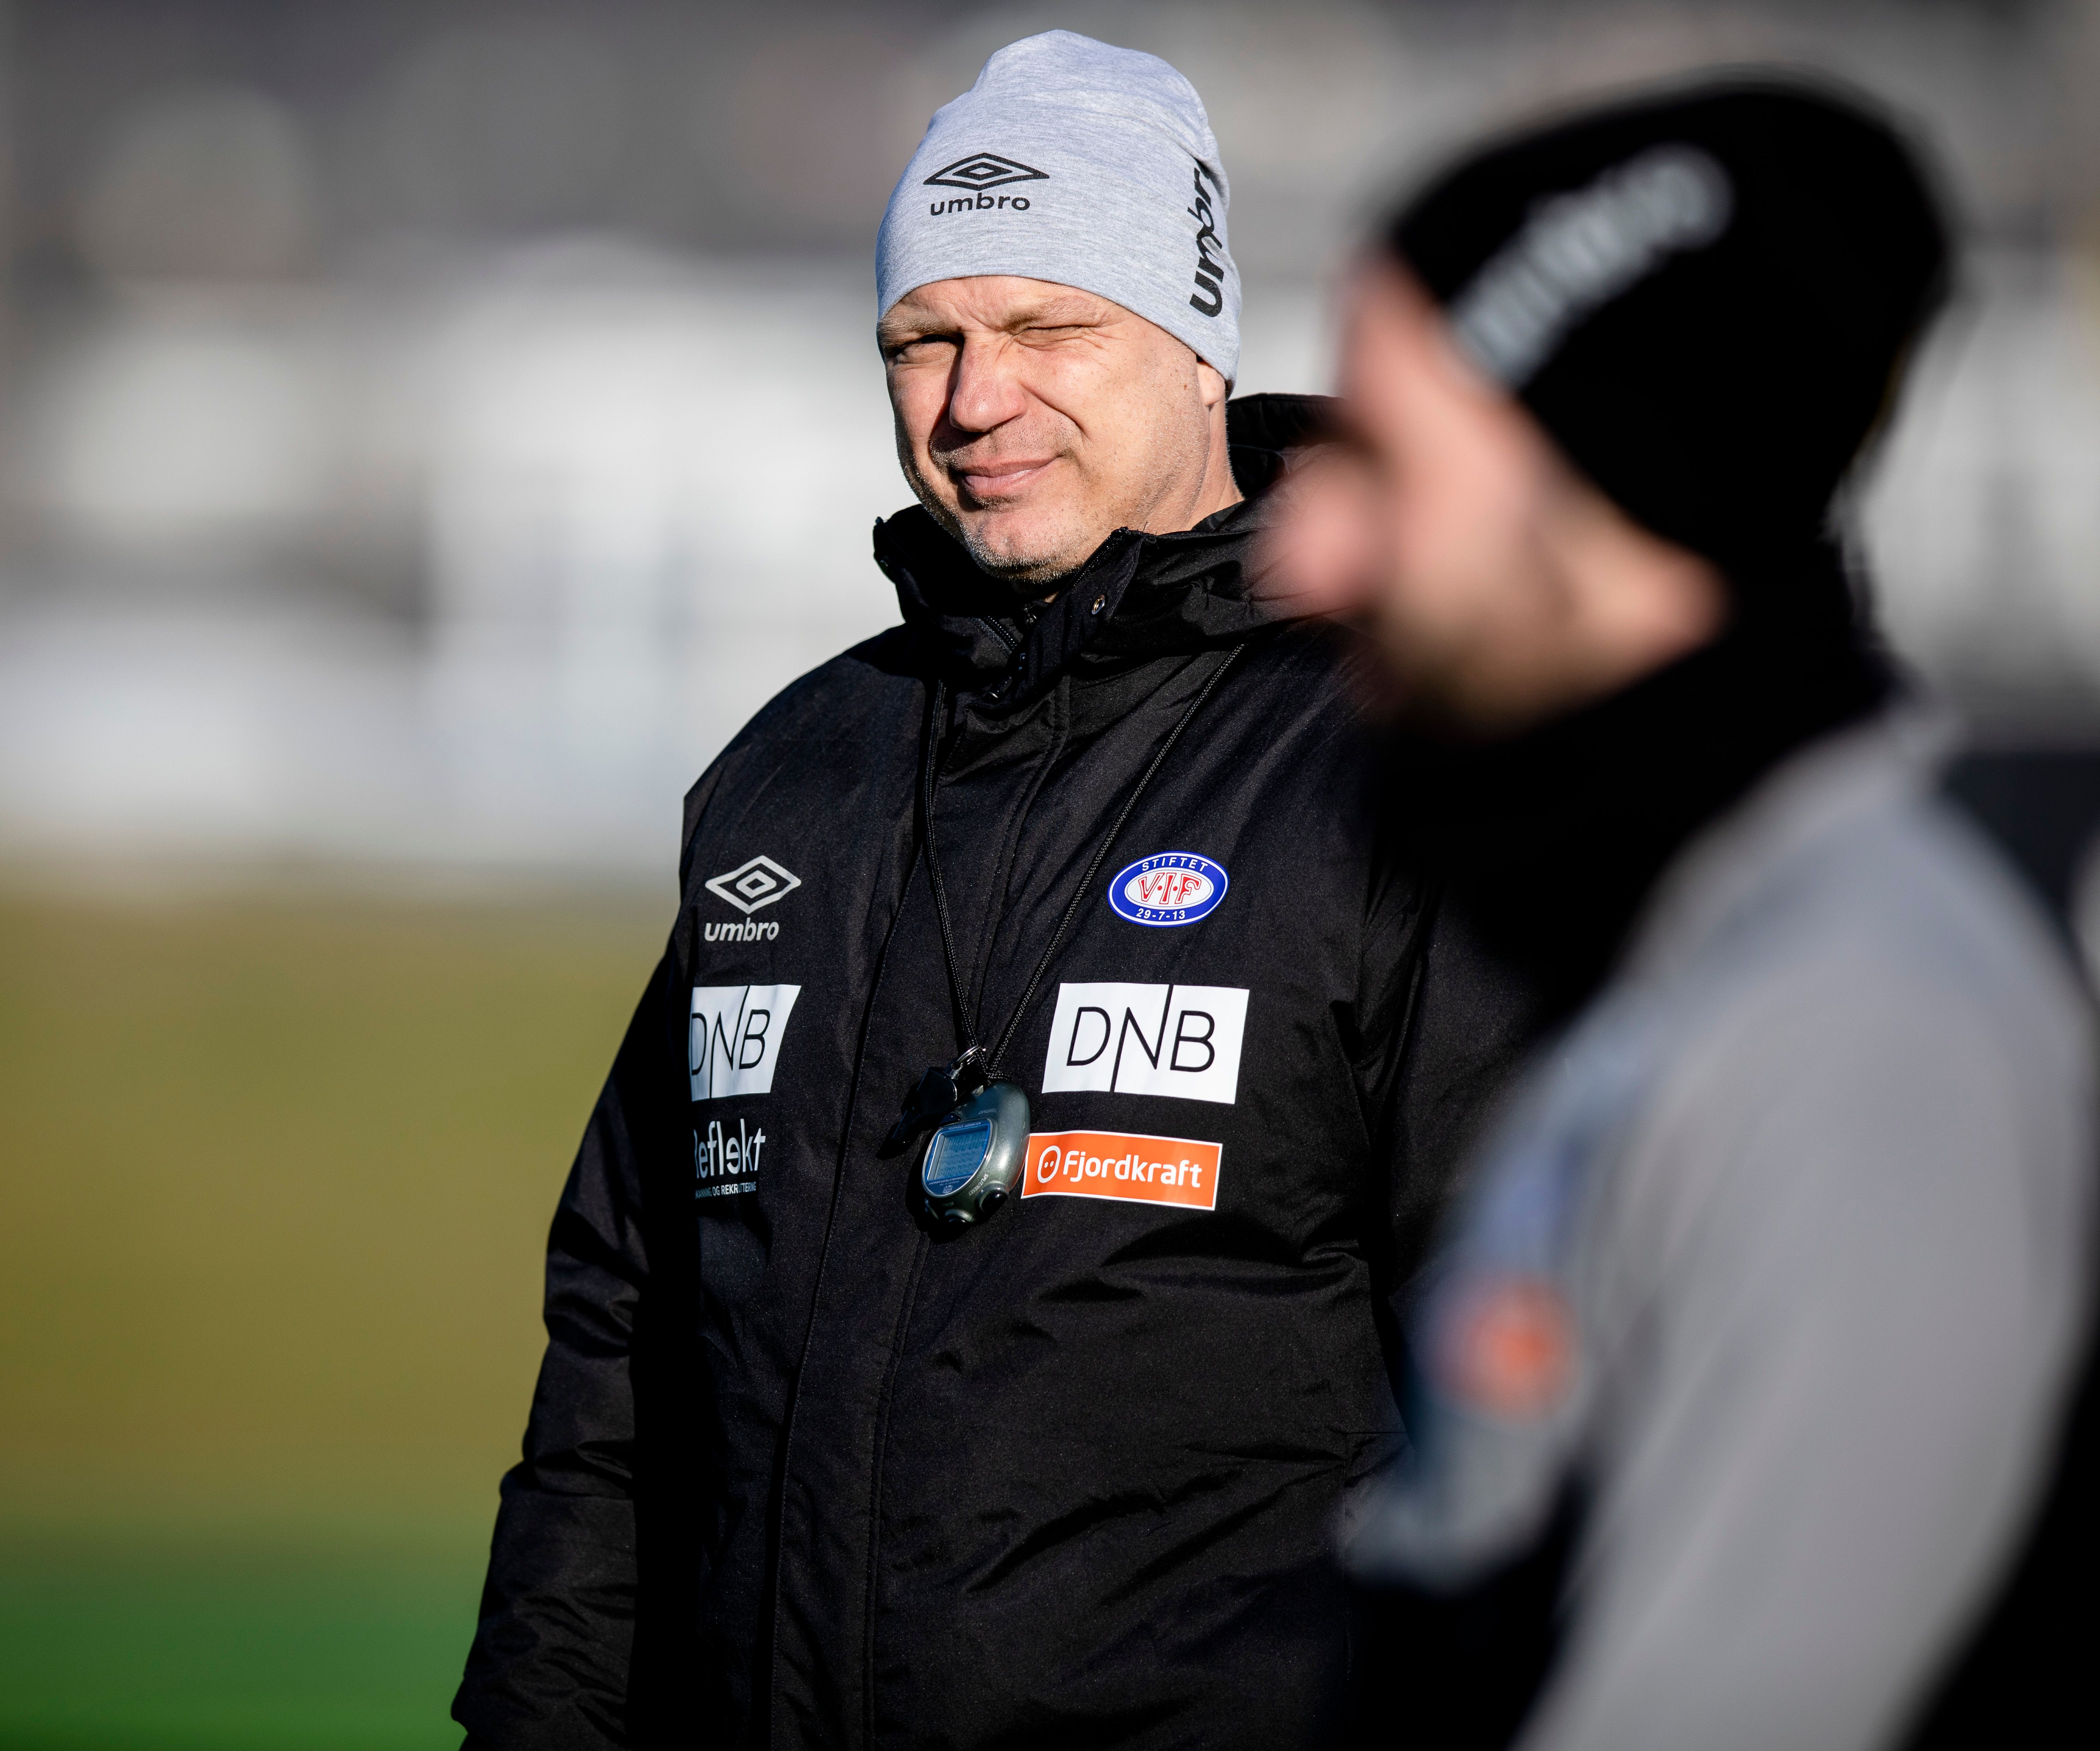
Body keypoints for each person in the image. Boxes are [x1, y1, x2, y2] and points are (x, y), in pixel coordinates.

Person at [452, 30, 1537, 1749]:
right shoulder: (790, 778)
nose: (975, 401)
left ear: (1198, 343)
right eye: (925, 341)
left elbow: (1539, 1395)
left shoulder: (1401, 768)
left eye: (1047, 329)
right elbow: (619, 1360)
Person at [1265, 77, 2096, 1751]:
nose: (1300, 553)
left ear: (1594, 505)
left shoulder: (1853, 1029)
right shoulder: (1685, 953)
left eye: (1383, 465)